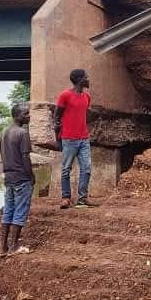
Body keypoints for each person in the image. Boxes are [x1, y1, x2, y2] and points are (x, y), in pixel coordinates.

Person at [54, 68, 94, 209]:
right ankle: (66, 198)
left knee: (87, 168)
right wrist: (58, 139)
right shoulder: (65, 95)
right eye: (86, 77)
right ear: (79, 80)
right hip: (69, 139)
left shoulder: (87, 97)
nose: (88, 79)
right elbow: (57, 118)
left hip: (84, 139)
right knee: (66, 169)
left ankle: (82, 198)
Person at [0, 102, 34, 256]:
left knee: (8, 211)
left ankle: (3, 248)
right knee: (20, 211)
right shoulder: (22, 133)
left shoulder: (4, 132)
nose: (29, 116)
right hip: (21, 177)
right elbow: (25, 157)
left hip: (9, 177)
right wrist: (31, 176)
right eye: (26, 114)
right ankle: (14, 246)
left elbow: (3, 155)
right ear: (18, 116)